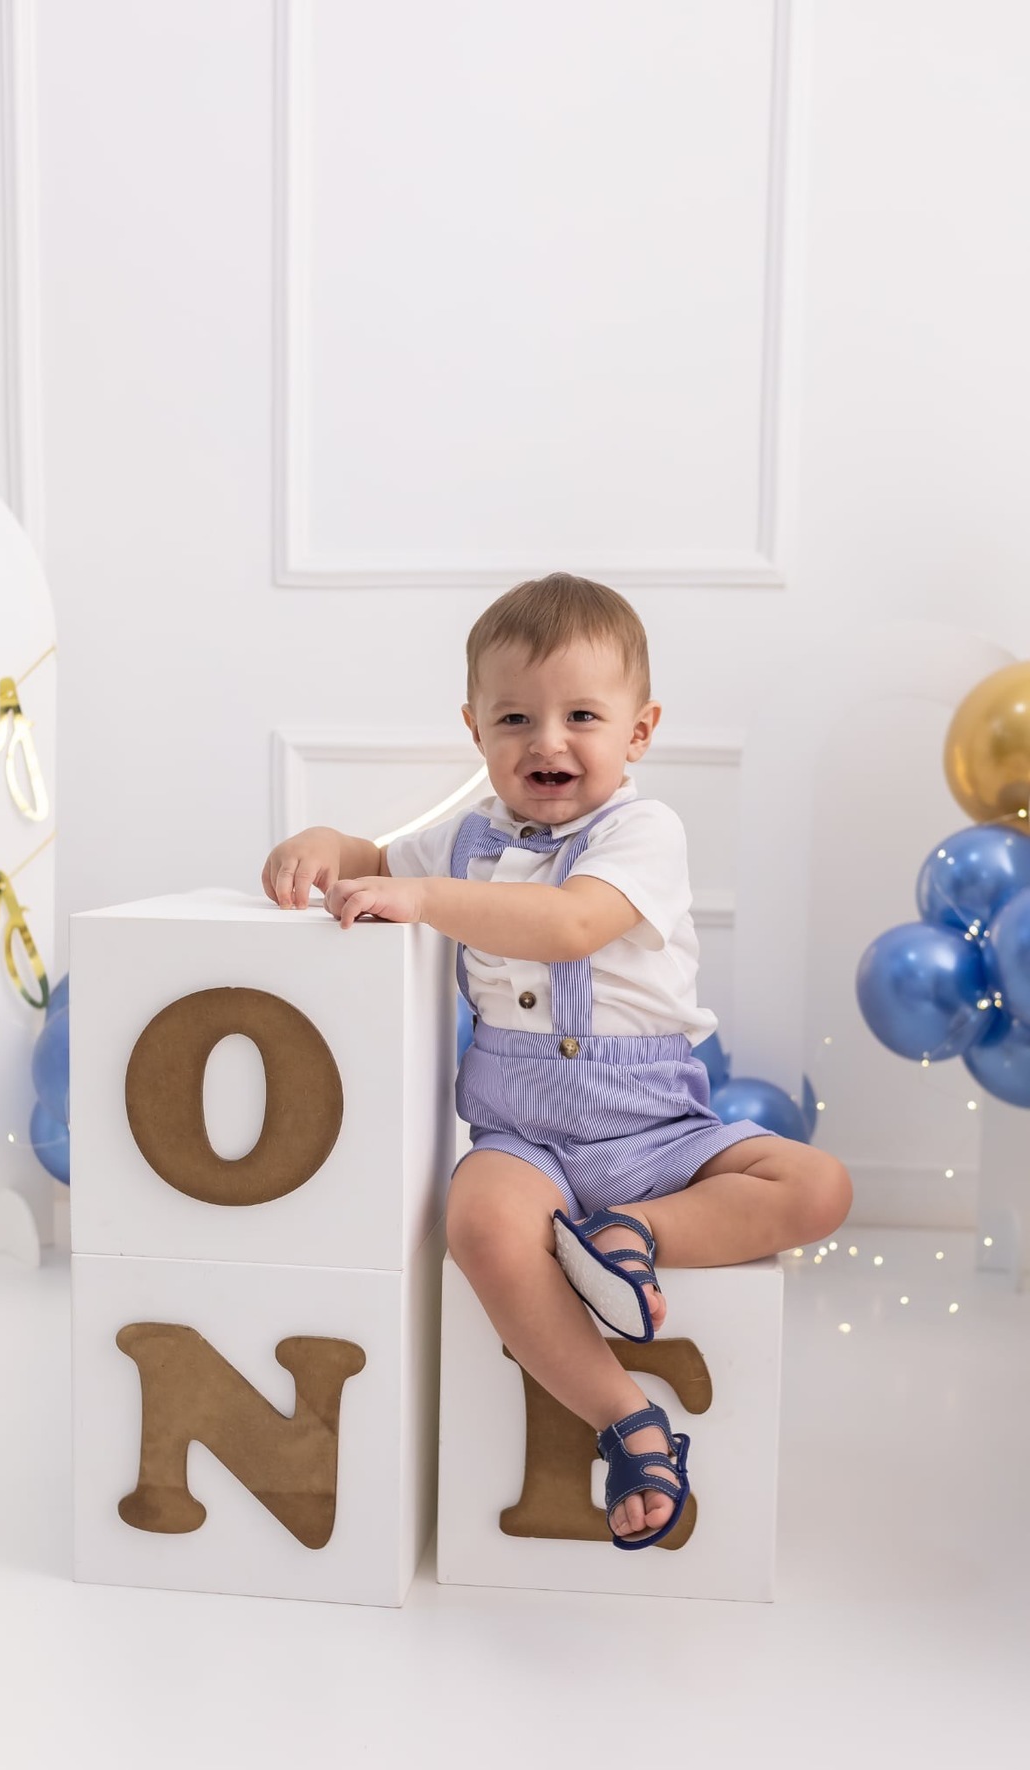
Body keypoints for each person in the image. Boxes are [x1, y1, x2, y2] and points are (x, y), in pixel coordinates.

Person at [261, 571, 852, 1550]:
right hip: (522, 1134)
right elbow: (377, 857)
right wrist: (331, 841)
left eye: (582, 714)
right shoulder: (466, 839)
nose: (547, 741)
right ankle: (629, 1422)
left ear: (640, 730)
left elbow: (573, 925)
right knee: (482, 1227)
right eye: (514, 718)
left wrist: (427, 902)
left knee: (817, 1184)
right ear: (476, 730)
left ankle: (632, 1234)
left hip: (659, 1129)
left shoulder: (643, 831)